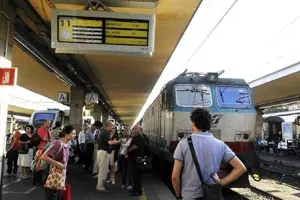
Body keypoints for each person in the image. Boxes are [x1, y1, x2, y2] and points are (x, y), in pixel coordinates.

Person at [172, 108, 247, 200]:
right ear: (209, 125)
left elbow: (175, 177)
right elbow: (241, 168)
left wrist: (178, 195)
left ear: (193, 124)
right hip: (212, 196)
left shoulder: (183, 144)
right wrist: (221, 182)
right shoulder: (220, 145)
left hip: (190, 196)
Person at [42, 125, 76, 200]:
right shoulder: (58, 143)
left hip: (60, 176)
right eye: (73, 133)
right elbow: (44, 156)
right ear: (66, 135)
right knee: (52, 196)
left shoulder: (67, 145)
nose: (75, 135)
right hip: (54, 176)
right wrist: (58, 163)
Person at [96, 121, 120, 192]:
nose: (113, 128)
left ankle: (100, 186)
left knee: (104, 170)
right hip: (103, 153)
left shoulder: (105, 132)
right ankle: (100, 187)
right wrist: (119, 141)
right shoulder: (105, 133)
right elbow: (110, 142)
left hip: (103, 153)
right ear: (108, 126)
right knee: (103, 171)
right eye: (112, 126)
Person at [126, 125, 146, 196]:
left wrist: (127, 150)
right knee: (134, 175)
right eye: (134, 128)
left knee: (137, 176)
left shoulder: (141, 138)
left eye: (136, 128)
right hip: (133, 158)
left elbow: (135, 147)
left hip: (137, 159)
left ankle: (138, 191)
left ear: (140, 129)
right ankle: (135, 190)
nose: (135, 129)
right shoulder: (134, 137)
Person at [33, 120, 52, 186]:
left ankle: (39, 180)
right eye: (48, 123)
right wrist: (50, 139)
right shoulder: (40, 129)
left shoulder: (47, 130)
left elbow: (50, 138)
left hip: (44, 149)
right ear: (44, 123)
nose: (49, 124)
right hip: (40, 149)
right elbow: (44, 139)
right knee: (38, 165)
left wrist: (48, 131)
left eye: (50, 123)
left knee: (41, 165)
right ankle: (36, 181)